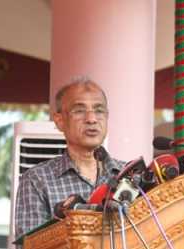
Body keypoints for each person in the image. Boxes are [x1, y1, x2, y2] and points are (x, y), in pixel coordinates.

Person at [14, 77, 124, 238]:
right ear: (59, 121)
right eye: (79, 111)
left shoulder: (129, 175)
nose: (92, 119)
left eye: (99, 110)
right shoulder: (37, 179)